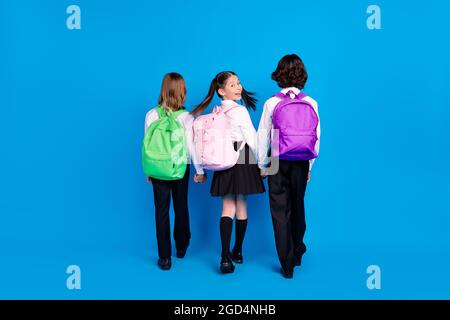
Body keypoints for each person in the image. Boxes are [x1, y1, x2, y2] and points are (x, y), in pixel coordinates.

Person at [191, 71, 265, 274]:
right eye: (233, 85)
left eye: (239, 83)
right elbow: (252, 138)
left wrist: (199, 169)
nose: (239, 87)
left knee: (227, 207)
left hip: (224, 157)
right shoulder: (240, 111)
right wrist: (264, 164)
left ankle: (224, 257)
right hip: (243, 156)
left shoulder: (216, 112)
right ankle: (238, 251)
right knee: (242, 205)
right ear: (221, 91)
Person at [257, 54, 321, 278]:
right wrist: (309, 167)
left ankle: (286, 264)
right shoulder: (311, 102)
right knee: (298, 205)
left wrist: (262, 165)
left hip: (276, 159)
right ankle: (297, 250)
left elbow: (263, 136)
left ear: (279, 75)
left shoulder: (272, 103)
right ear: (302, 75)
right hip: (302, 160)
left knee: (279, 210)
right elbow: (316, 137)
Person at [144, 72, 206, 270]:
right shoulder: (186, 117)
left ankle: (164, 257)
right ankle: (181, 245)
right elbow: (191, 146)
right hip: (180, 167)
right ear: (182, 92)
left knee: (160, 211)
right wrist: (200, 170)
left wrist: (148, 169)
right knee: (181, 206)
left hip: (157, 167)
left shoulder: (151, 114)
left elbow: (147, 145)